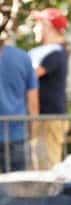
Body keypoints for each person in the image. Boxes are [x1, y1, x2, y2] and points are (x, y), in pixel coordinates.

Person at [28, 8, 69, 170]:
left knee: (48, 167)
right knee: (36, 166)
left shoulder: (56, 53)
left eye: (38, 24)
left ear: (47, 25)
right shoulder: (40, 52)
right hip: (37, 118)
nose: (34, 29)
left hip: (50, 118)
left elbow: (29, 75)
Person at [0, 37, 38, 172]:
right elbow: (33, 102)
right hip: (17, 134)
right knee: (16, 188)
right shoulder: (22, 57)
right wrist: (33, 136)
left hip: (16, 134)